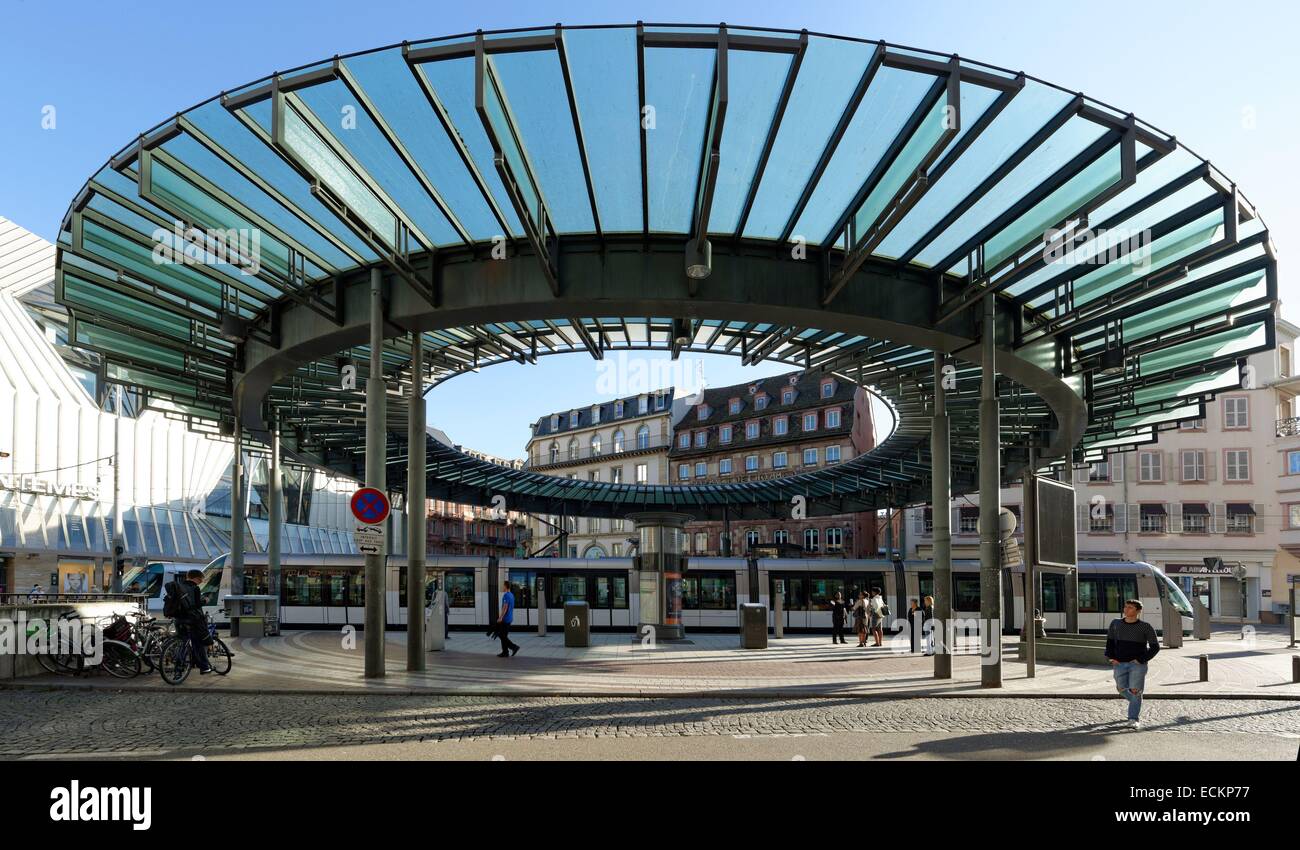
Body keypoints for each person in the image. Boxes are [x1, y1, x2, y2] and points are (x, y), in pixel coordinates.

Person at [1104, 598, 1160, 728]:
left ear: (1138, 611)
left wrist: (1140, 660)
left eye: (1130, 607)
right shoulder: (1115, 623)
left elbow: (1155, 647)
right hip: (1119, 663)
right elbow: (1110, 642)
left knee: (1135, 691)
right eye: (1125, 606)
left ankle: (1133, 719)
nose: (1126, 609)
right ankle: (1136, 700)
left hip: (1137, 665)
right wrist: (1111, 658)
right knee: (1121, 688)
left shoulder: (1145, 627)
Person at [165, 569, 212, 674]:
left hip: (178, 620)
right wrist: (205, 600)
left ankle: (178, 669)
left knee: (182, 642)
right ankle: (204, 667)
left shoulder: (178, 586)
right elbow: (196, 604)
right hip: (192, 621)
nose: (200, 582)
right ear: (196, 578)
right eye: (201, 580)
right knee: (198, 643)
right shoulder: (195, 588)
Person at [496, 580, 520, 658]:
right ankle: (505, 652)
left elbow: (505, 607)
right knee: (504, 635)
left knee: (501, 635)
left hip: (505, 619)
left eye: (503, 585)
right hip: (509, 617)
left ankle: (514, 647)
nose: (502, 587)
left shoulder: (506, 595)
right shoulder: (511, 595)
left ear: (506, 586)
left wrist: (500, 617)